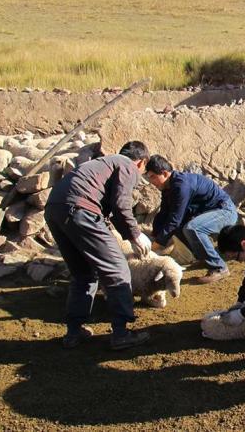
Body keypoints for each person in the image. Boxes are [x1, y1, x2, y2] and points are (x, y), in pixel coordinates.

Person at [45, 141, 152, 350]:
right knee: (118, 271)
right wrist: (135, 235)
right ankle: (121, 334)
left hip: (54, 209)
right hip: (80, 209)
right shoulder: (127, 165)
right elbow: (121, 203)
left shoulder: (101, 164)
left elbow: (104, 202)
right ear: (141, 162)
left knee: (83, 273)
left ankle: (73, 333)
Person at [145, 155, 238, 284]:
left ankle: (219, 267)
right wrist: (154, 235)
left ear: (165, 173)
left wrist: (156, 245)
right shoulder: (168, 188)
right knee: (179, 228)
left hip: (225, 211)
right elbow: (164, 214)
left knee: (192, 228)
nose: (151, 181)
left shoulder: (182, 185)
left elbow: (174, 219)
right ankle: (203, 258)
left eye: (152, 177)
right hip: (208, 213)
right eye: (148, 177)